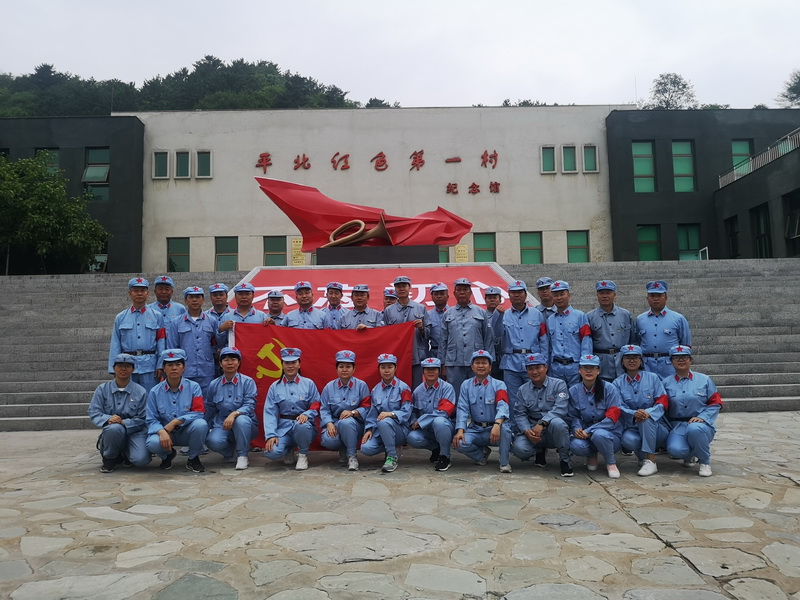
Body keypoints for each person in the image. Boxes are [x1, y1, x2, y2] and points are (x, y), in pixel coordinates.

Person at [145, 349, 209, 472]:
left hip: (186, 431)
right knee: (152, 443)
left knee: (201, 425)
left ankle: (193, 458)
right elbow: (151, 419)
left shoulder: (193, 387)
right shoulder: (155, 391)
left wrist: (176, 422)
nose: (174, 368)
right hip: (166, 433)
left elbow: (199, 412)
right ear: (164, 368)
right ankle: (167, 455)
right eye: (169, 365)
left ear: (184, 367)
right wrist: (161, 431)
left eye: (178, 364)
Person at [662, 345, 722, 477]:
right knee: (675, 450)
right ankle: (690, 455)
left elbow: (716, 402)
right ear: (671, 361)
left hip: (701, 425)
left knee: (694, 429)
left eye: (684, 357)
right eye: (676, 358)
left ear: (691, 360)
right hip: (677, 425)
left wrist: (703, 417)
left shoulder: (704, 380)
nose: (681, 360)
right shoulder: (665, 383)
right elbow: (662, 407)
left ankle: (704, 461)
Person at [511, 353, 573, 477]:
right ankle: (539, 450)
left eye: (538, 367)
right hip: (533, 427)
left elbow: (560, 408)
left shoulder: (559, 384)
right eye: (530, 368)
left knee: (558, 423)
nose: (534, 372)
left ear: (546, 367)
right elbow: (520, 413)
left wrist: (542, 423)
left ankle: (565, 460)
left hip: (552, 429)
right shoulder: (522, 389)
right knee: (519, 449)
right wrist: (527, 431)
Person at [613, 344, 669, 477]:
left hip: (656, 427)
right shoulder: (617, 383)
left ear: (641, 360)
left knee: (645, 419)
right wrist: (634, 413)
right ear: (622, 361)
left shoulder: (653, 378)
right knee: (628, 440)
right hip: (632, 426)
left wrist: (649, 413)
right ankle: (643, 458)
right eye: (627, 358)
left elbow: (663, 400)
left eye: (635, 357)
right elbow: (617, 406)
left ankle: (651, 460)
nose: (631, 361)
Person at [88, 353, 150, 472]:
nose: (123, 369)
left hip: (135, 432)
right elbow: (94, 411)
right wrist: (108, 419)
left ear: (133, 369)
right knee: (115, 428)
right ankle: (109, 458)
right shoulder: (102, 389)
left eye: (127, 366)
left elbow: (143, 417)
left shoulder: (141, 391)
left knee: (141, 460)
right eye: (120, 366)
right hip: (113, 431)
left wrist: (124, 422)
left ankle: (125, 453)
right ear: (114, 368)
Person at [453, 350, 513, 473]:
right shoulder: (466, 385)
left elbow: (503, 405)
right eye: (477, 363)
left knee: (505, 430)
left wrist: (497, 424)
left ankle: (504, 462)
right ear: (472, 366)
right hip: (476, 429)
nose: (481, 366)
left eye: (484, 363)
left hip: (495, 428)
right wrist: (460, 430)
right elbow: (462, 408)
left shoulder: (499, 385)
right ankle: (481, 455)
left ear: (490, 367)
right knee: (459, 442)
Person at [263, 347, 320, 471]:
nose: (290, 366)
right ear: (282, 365)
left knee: (302, 425)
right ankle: (288, 449)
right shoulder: (275, 387)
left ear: (299, 364)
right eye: (287, 363)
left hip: (304, 427)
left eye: (293, 362)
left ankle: (303, 455)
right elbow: (270, 412)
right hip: (283, 428)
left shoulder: (308, 384)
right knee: (271, 452)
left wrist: (307, 414)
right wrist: (271, 435)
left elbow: (316, 405)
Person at [568, 354, 624, 478]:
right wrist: (577, 429)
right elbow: (573, 415)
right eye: (585, 367)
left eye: (593, 368)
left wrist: (589, 431)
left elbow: (612, 417)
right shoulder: (573, 391)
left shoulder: (610, 389)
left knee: (599, 434)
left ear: (598, 370)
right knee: (576, 445)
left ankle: (611, 462)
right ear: (579, 370)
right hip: (585, 433)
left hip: (609, 433)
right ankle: (591, 455)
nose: (588, 371)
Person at [500, 279, 549, 423]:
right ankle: (515, 429)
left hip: (533, 363)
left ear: (525, 294)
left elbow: (543, 339)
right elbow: (497, 335)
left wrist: (544, 362)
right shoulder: (504, 315)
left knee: (536, 397)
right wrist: (497, 316)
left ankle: (537, 428)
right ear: (509, 295)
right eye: (513, 292)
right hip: (511, 363)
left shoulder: (537, 314)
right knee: (513, 399)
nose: (516, 295)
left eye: (520, 292)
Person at [205, 347, 258, 470]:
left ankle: (242, 455)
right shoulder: (214, 384)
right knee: (213, 441)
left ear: (239, 363)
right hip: (222, 424)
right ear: (220, 363)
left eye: (233, 359)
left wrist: (234, 414)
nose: (230, 363)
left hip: (246, 424)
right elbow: (210, 408)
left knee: (241, 420)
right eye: (226, 360)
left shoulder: (248, 382)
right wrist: (205, 427)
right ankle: (230, 452)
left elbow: (250, 405)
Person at [439, 278, 493, 399]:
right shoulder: (448, 314)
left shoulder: (481, 312)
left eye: (465, 289)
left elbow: (488, 338)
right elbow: (443, 341)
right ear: (454, 293)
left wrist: (489, 362)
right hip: (454, 362)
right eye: (459, 290)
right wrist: (442, 364)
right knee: (455, 394)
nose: (462, 292)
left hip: (477, 361)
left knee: (478, 394)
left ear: (471, 292)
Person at [109, 277, 166, 389]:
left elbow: (161, 341)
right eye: (136, 291)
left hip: (150, 365)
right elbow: (115, 343)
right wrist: (114, 367)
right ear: (130, 293)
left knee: (149, 396)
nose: (139, 293)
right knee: (129, 396)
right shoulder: (121, 317)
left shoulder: (157, 316)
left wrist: (160, 365)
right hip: (127, 365)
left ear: (147, 293)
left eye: (142, 290)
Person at [360, 353, 413, 472]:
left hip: (400, 429)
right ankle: (391, 447)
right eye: (383, 367)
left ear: (395, 368)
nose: (386, 370)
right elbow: (372, 414)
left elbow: (407, 412)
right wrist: (369, 429)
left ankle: (392, 457)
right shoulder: (375, 390)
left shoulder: (403, 388)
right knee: (366, 448)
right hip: (380, 429)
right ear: (378, 369)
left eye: (390, 367)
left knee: (384, 421)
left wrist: (391, 414)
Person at [319, 350, 371, 471]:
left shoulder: (361, 386)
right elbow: (324, 409)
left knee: (346, 422)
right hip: (335, 423)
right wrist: (329, 423)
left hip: (355, 424)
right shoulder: (329, 387)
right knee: (328, 440)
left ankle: (352, 456)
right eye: (341, 366)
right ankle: (343, 449)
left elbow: (367, 407)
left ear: (354, 368)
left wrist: (353, 413)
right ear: (336, 369)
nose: (344, 369)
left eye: (348, 366)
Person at [406, 357, 456, 472]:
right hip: (427, 430)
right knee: (411, 437)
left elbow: (444, 412)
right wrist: (413, 421)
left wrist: (421, 421)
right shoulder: (418, 391)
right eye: (427, 369)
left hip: (445, 427)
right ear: (423, 372)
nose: (431, 372)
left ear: (439, 371)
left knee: (439, 421)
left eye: (434, 369)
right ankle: (435, 448)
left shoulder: (447, 388)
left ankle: (445, 456)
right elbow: (413, 411)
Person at [635, 281, 692, 379]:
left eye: (659, 295)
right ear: (647, 298)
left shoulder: (678, 318)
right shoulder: (640, 319)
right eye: (652, 296)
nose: (656, 298)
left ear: (666, 297)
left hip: (670, 366)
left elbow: (685, 344)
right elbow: (637, 341)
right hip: (647, 365)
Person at [167, 286, 218, 396]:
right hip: (186, 370)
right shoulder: (176, 322)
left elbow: (215, 344)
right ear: (186, 300)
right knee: (185, 399)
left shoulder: (212, 321)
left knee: (206, 400)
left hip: (206, 369)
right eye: (191, 297)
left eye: (198, 297)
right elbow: (172, 347)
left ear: (203, 300)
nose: (194, 300)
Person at [382, 275, 430, 387]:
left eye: (404, 286)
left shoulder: (420, 308)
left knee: (416, 388)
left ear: (409, 287)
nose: (401, 289)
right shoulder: (389, 311)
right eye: (398, 287)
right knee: (398, 387)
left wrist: (421, 328)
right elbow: (385, 334)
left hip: (416, 355)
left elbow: (428, 334)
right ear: (395, 289)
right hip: (397, 356)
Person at [587, 280, 634, 382]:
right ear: (597, 295)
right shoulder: (589, 317)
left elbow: (633, 340)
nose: (605, 296)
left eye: (608, 293)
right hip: (602, 363)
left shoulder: (625, 315)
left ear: (614, 295)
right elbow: (588, 343)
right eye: (601, 293)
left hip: (622, 362)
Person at [547, 281, 592, 386]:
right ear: (552, 297)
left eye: (562, 294)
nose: (559, 298)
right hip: (556, 368)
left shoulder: (580, 316)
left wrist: (585, 365)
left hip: (575, 368)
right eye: (555, 295)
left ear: (569, 295)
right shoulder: (550, 320)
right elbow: (549, 345)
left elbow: (586, 342)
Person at [206, 283, 231, 377]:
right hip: (209, 360)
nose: (218, 297)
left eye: (221, 294)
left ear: (227, 296)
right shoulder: (204, 316)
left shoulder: (234, 315)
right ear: (210, 297)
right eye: (215, 295)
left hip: (230, 359)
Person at [484, 286, 505, 379]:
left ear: (500, 300)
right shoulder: (481, 316)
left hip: (504, 356)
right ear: (485, 300)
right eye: (489, 298)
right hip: (488, 355)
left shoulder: (507, 316)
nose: (492, 300)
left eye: (495, 297)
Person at [427, 282, 449, 359]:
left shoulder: (454, 313)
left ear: (447, 296)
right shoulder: (427, 315)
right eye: (436, 294)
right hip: (434, 354)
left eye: (442, 294)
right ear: (432, 297)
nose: (439, 296)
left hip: (451, 353)